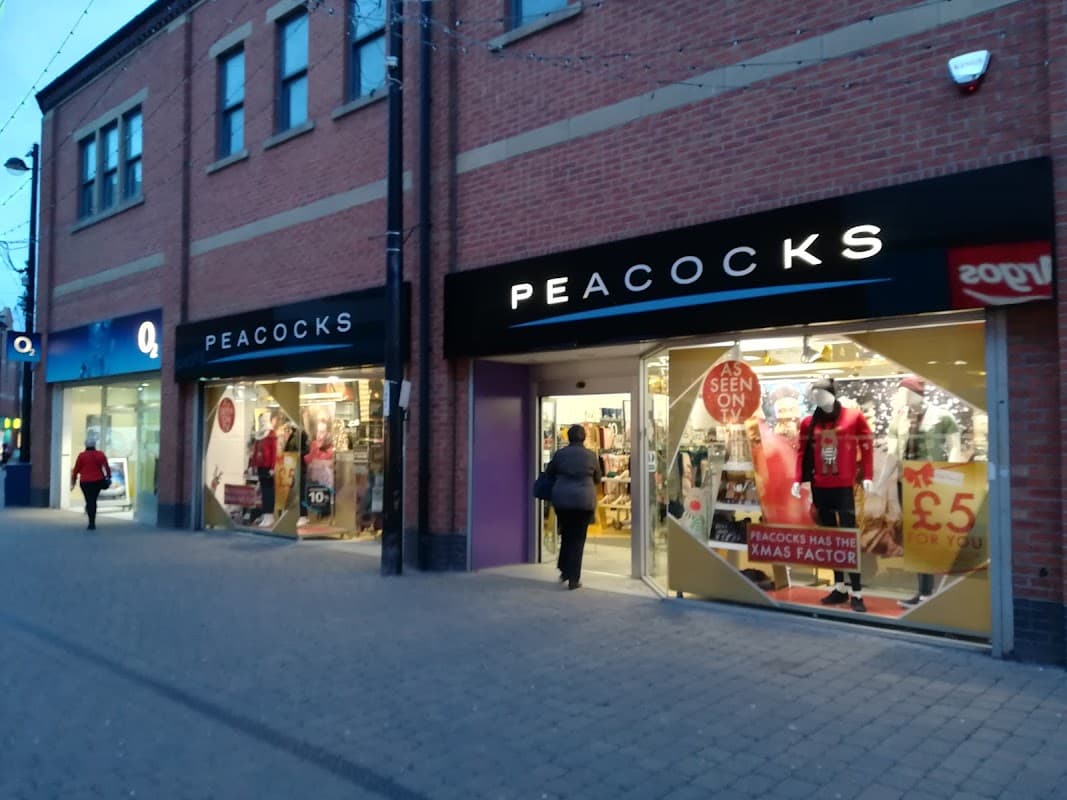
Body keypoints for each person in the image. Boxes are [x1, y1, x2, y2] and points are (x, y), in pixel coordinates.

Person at [792, 377, 874, 612]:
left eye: (820, 393)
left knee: (849, 538)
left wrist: (867, 475)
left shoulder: (853, 417)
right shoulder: (809, 422)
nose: (816, 398)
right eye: (813, 395)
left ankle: (856, 591)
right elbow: (802, 452)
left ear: (831, 393)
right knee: (831, 539)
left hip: (844, 487)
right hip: (821, 487)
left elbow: (867, 444)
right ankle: (839, 586)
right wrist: (798, 480)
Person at [886, 376, 962, 607]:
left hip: (932, 483)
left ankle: (934, 593)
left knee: (930, 536)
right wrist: (880, 482)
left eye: (903, 391)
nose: (899, 397)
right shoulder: (899, 419)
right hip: (905, 481)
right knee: (915, 537)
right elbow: (892, 453)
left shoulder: (942, 416)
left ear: (913, 392)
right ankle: (924, 591)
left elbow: (955, 449)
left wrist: (950, 481)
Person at [545, 424, 603, 590]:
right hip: (583, 502)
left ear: (568, 437)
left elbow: (549, 473)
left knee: (567, 534)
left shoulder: (560, 454)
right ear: (584, 437)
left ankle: (564, 570)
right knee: (578, 539)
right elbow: (598, 478)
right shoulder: (591, 456)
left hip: (562, 500)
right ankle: (573, 578)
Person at [70, 437, 112, 530]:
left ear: (85, 445)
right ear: (94, 445)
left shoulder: (82, 456)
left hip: (85, 482)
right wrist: (109, 476)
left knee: (89, 499)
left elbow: (76, 469)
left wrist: (74, 479)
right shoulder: (100, 454)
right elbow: (106, 467)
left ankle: (90, 517)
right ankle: (92, 520)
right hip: (97, 481)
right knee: (93, 499)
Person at [249, 413, 277, 527]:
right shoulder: (259, 435)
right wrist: (253, 465)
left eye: (262, 420)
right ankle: (265, 515)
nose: (261, 422)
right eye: (259, 420)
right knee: (263, 492)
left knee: (269, 491)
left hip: (268, 467)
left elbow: (274, 452)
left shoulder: (271, 434)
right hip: (261, 467)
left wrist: (272, 467)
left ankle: (269, 515)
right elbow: (255, 452)